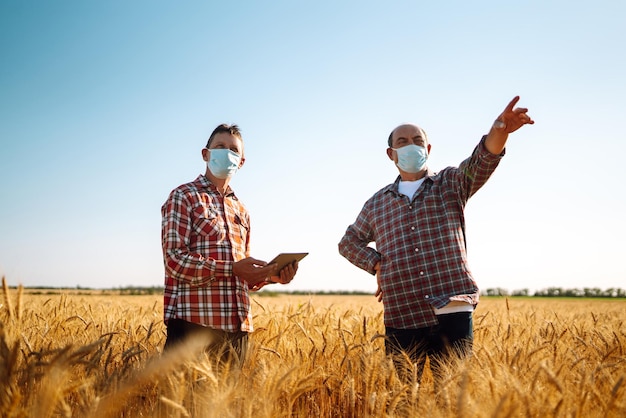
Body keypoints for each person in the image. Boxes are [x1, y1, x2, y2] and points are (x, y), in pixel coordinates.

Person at [338, 96, 534, 383]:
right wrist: (376, 264)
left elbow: (483, 160)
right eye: (402, 141)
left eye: (417, 140)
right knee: (405, 399)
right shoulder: (376, 204)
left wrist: (500, 129)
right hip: (402, 311)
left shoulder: (451, 183)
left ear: (427, 149)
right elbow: (348, 243)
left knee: (453, 394)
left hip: (451, 305)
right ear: (391, 153)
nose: (411, 145)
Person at [161, 123, 298, 365]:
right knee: (186, 402)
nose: (227, 153)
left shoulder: (242, 210)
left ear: (241, 162)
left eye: (233, 150)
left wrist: (270, 277)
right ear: (206, 154)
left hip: (237, 329)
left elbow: (243, 273)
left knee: (230, 403)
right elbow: (174, 260)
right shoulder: (184, 196)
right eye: (220, 147)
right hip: (194, 325)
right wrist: (232, 268)